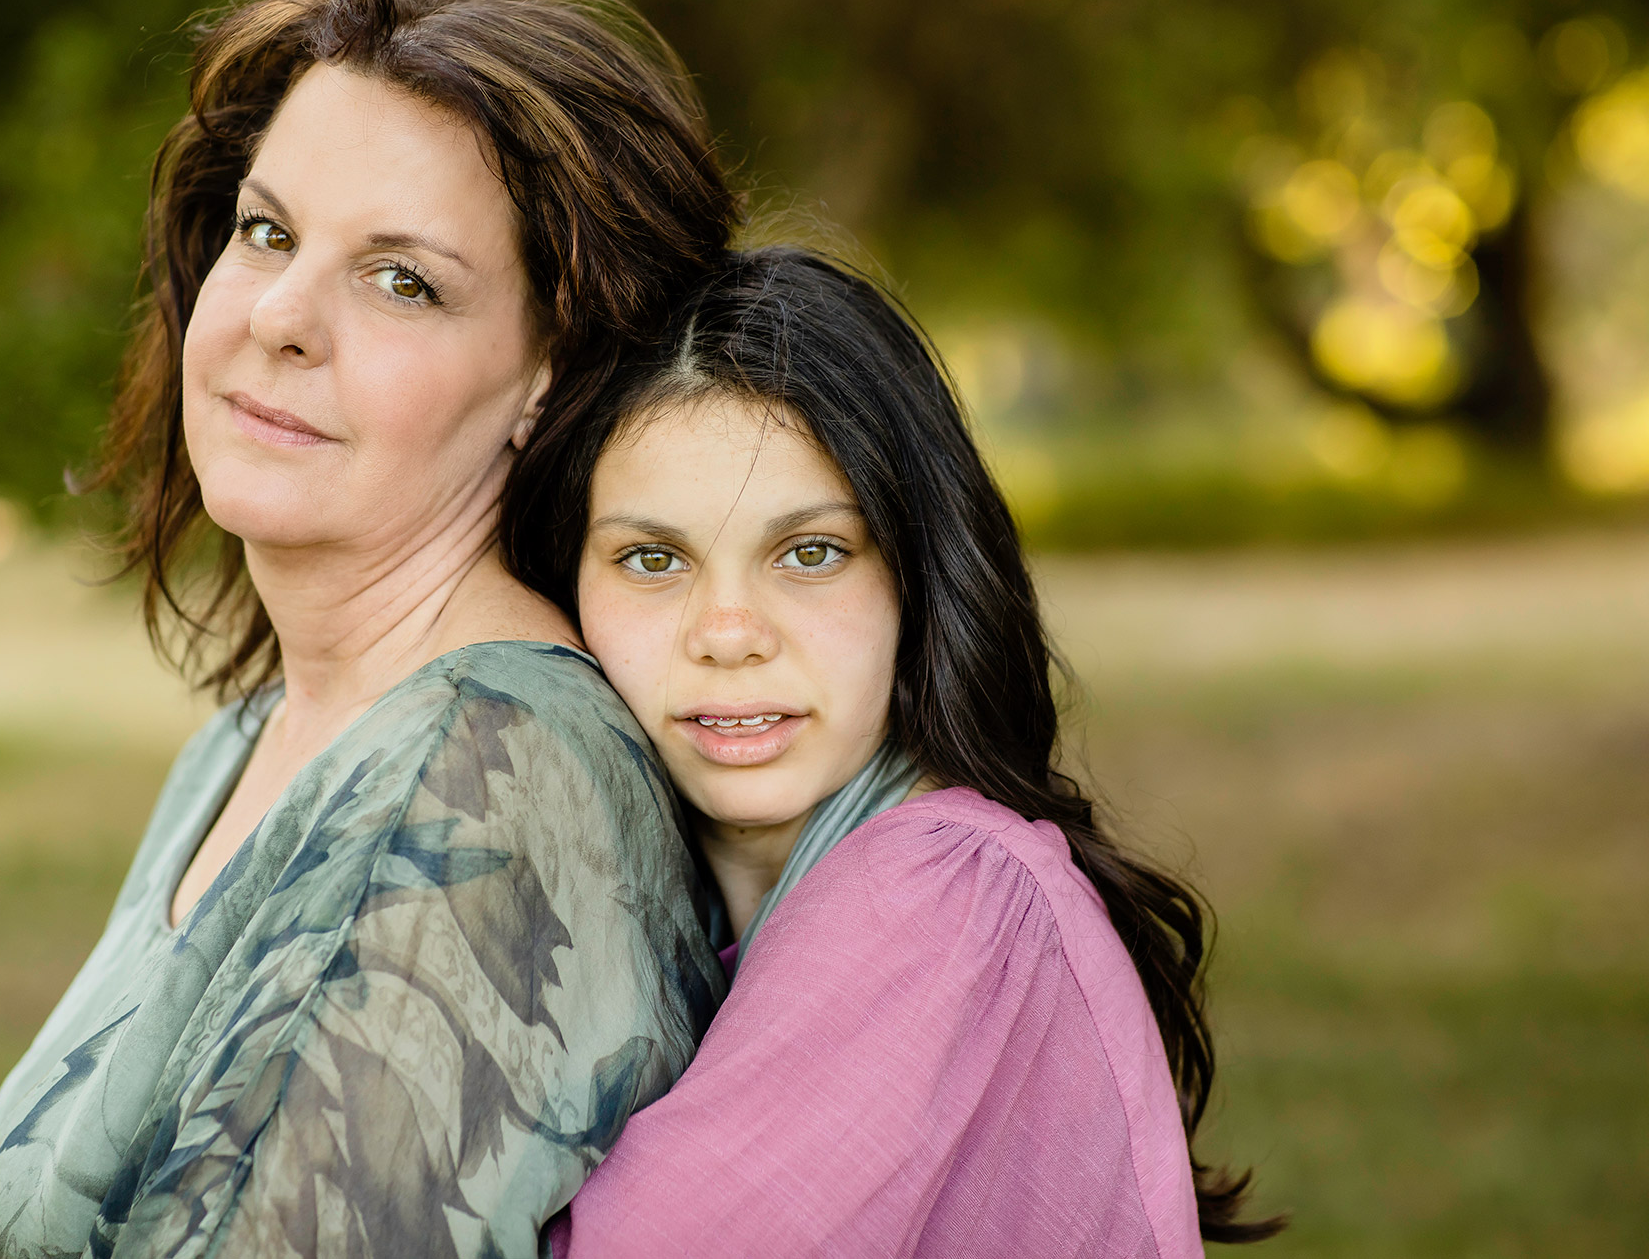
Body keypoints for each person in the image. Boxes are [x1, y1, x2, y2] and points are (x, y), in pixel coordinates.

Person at [0, 0, 740, 1258]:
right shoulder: (258, 736)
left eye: (403, 279)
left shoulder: (492, 774)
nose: (281, 314)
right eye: (268, 233)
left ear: (553, 373)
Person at [501, 248, 1285, 1256]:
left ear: (913, 579)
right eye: (652, 559)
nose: (728, 630)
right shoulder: (676, 915)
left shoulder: (943, 897)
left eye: (810, 552)